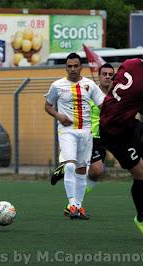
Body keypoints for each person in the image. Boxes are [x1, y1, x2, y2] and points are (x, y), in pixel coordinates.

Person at [99, 40, 143, 240]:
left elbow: (128, 91)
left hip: (119, 119)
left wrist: (141, 104)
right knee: (140, 175)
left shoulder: (130, 62)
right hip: (115, 131)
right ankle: (142, 217)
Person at [44, 53, 105, 219]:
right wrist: (58, 115)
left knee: (81, 169)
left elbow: (103, 105)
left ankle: (77, 207)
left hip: (86, 132)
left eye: (75, 66)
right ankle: (72, 204)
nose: (72, 69)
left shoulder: (90, 85)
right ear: (66, 67)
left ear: (81, 67)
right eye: (69, 66)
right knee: (70, 166)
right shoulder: (57, 85)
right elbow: (48, 106)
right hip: (67, 131)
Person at [50, 63, 115, 193]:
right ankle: (75, 197)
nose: (107, 77)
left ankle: (71, 179)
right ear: (99, 76)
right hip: (89, 136)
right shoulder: (90, 92)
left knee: (95, 173)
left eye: (110, 74)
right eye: (104, 74)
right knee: (97, 169)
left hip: (105, 138)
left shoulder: (116, 95)